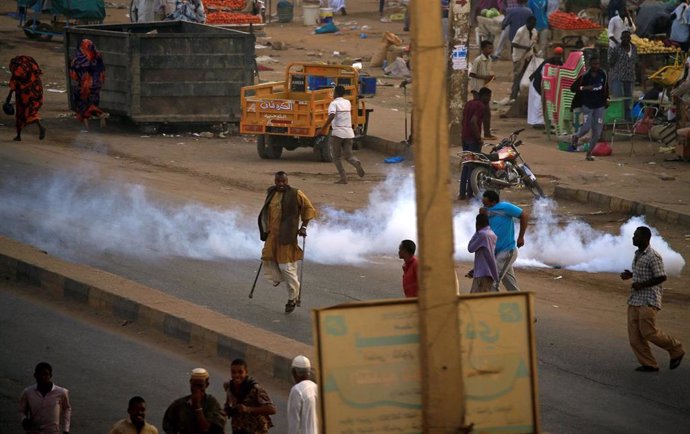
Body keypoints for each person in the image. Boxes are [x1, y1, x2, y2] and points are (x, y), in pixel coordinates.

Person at [620, 226, 685, 372]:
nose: (633, 238)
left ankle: (676, 348)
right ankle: (649, 364)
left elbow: (661, 276)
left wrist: (641, 284)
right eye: (634, 236)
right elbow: (643, 273)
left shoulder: (653, 256)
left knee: (648, 332)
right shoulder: (638, 254)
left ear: (645, 239)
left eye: (636, 236)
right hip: (635, 299)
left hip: (648, 300)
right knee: (635, 337)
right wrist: (631, 275)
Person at [258, 171, 316, 313]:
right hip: (272, 236)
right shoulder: (271, 193)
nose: (281, 184)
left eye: (283, 181)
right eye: (278, 182)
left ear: (287, 181)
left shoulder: (296, 193)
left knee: (286, 268)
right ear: (275, 181)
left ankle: (293, 297)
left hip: (287, 236)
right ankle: (281, 280)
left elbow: (309, 209)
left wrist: (303, 226)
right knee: (268, 260)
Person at [480, 190, 528, 292]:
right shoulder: (486, 212)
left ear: (493, 202)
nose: (484, 206)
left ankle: (493, 306)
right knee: (511, 285)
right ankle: (521, 303)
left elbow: (524, 215)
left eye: (486, 204)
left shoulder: (505, 207)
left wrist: (521, 237)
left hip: (507, 251)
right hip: (497, 253)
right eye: (483, 204)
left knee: (492, 281)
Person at [318, 85, 365, 184]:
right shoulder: (347, 102)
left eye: (333, 92)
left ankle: (343, 178)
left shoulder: (334, 104)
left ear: (336, 93)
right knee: (348, 156)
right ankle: (355, 162)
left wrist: (323, 128)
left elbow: (332, 115)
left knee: (336, 157)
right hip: (349, 132)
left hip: (338, 133)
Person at [162, 368, 226, 434]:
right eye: (194, 385)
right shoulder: (180, 404)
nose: (197, 389)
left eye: (200, 386)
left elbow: (207, 428)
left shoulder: (212, 403)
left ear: (206, 385)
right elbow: (168, 424)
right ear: (190, 383)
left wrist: (197, 406)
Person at [223, 359, 276, 434]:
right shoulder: (229, 386)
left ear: (246, 372)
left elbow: (272, 409)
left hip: (256, 429)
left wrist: (248, 409)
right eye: (233, 372)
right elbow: (228, 402)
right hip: (238, 427)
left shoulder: (255, 389)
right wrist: (227, 409)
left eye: (240, 372)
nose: (236, 375)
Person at [571, 56, 608, 161]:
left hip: (599, 105)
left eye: (598, 64)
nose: (596, 66)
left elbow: (605, 87)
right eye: (594, 64)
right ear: (590, 65)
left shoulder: (603, 74)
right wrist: (585, 88)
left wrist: (607, 99)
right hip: (587, 105)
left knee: (597, 132)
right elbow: (573, 88)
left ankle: (589, 153)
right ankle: (576, 136)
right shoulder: (585, 76)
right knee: (586, 127)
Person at [19, 362, 71, 434]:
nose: (43, 377)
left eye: (46, 374)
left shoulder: (61, 392)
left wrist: (66, 429)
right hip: (33, 431)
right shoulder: (28, 392)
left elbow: (67, 409)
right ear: (35, 376)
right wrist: (24, 419)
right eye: (40, 375)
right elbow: (21, 410)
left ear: (50, 375)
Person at [459, 87, 492, 200]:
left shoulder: (469, 103)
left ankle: (462, 193)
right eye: (488, 97)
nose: (489, 99)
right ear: (483, 96)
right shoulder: (480, 106)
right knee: (473, 166)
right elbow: (473, 121)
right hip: (473, 139)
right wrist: (479, 138)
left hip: (465, 137)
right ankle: (469, 194)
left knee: (466, 165)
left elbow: (464, 120)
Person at [69, 39, 108, 132]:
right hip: (97, 84)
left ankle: (87, 128)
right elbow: (102, 70)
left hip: (86, 85)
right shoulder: (97, 55)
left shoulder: (81, 58)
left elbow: (74, 73)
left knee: (82, 105)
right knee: (91, 103)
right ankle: (100, 115)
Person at [6, 55, 45, 141]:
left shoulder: (17, 71)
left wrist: (8, 99)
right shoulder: (33, 71)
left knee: (21, 113)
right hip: (36, 92)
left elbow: (13, 85)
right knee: (32, 111)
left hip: (24, 94)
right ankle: (39, 126)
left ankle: (18, 135)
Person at [469, 40, 497, 139]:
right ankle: (477, 133)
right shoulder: (478, 60)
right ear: (483, 49)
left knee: (486, 113)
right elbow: (472, 73)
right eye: (488, 48)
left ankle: (486, 133)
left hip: (485, 89)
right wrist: (485, 77)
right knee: (478, 112)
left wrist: (491, 76)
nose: (490, 50)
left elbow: (488, 72)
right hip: (477, 89)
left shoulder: (489, 59)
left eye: (491, 48)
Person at [528, 49, 564, 126]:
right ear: (554, 54)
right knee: (537, 103)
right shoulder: (548, 62)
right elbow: (544, 76)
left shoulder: (560, 63)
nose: (558, 56)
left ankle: (542, 121)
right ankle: (536, 122)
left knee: (543, 103)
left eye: (559, 55)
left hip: (548, 84)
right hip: (537, 82)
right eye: (556, 54)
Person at [608, 31, 637, 121]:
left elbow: (635, 60)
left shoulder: (634, 48)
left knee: (628, 99)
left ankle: (628, 119)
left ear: (630, 39)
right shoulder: (616, 48)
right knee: (618, 98)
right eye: (624, 38)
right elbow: (611, 62)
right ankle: (618, 119)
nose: (626, 39)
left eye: (628, 38)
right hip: (618, 76)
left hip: (630, 77)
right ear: (621, 38)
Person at [466, 213, 498, 293]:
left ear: (477, 223)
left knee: (476, 301)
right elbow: (486, 254)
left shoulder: (482, 235)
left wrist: (476, 232)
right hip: (489, 271)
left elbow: (470, 248)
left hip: (482, 274)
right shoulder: (492, 234)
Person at [287, 355, 318, 434]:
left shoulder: (297, 391)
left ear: (293, 372)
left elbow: (294, 422)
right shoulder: (315, 387)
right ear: (309, 372)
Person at [510, 15, 538, 101]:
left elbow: (533, 43)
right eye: (531, 24)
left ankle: (523, 96)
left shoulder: (534, 31)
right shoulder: (521, 31)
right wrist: (525, 47)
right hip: (519, 57)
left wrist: (535, 52)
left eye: (534, 25)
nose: (532, 26)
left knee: (527, 77)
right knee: (518, 76)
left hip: (529, 57)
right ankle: (513, 96)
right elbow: (513, 43)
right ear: (527, 23)